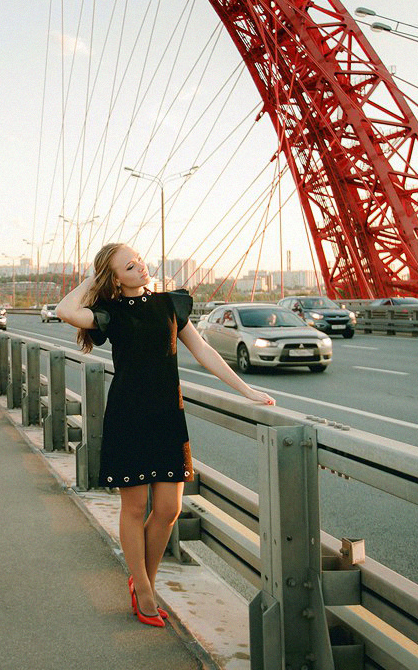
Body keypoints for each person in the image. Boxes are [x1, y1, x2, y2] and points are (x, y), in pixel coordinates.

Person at [54, 243, 274, 627]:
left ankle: (144, 583)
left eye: (138, 260)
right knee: (135, 508)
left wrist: (246, 390)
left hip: (167, 416)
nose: (140, 267)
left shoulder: (171, 304)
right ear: (116, 277)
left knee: (169, 510)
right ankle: (144, 589)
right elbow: (65, 311)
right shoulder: (110, 314)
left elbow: (203, 351)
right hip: (128, 415)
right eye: (129, 266)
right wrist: (96, 276)